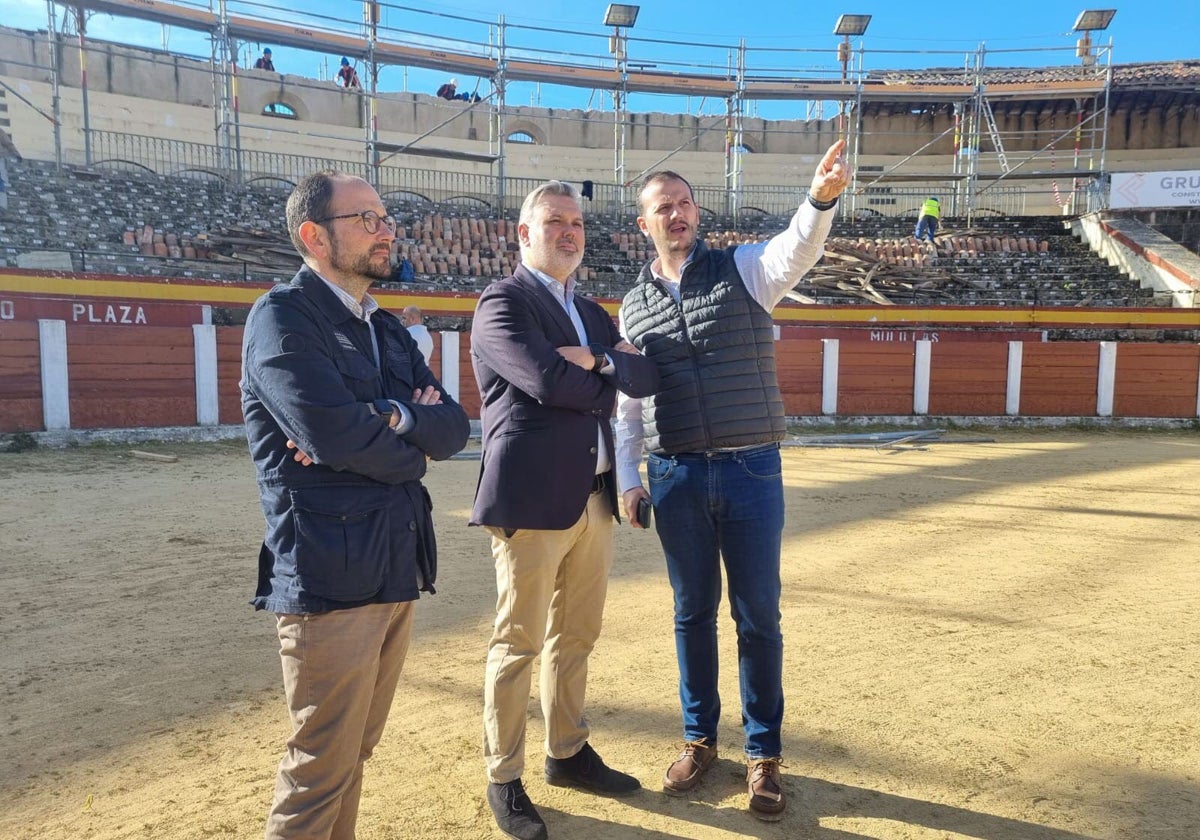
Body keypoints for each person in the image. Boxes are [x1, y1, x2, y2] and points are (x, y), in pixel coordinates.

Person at [614, 139, 851, 822]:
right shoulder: (631, 308)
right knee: (691, 614)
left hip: (751, 466)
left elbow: (795, 251)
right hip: (676, 473)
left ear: (697, 211)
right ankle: (699, 741)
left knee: (757, 616)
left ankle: (763, 755)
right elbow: (628, 407)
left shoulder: (743, 269)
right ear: (645, 224)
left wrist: (819, 200)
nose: (678, 214)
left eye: (685, 203)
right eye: (664, 207)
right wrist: (630, 480)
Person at [241, 170, 470, 840]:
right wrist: (408, 439)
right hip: (327, 576)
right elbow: (330, 430)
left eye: (385, 217)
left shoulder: (387, 330)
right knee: (320, 765)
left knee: (351, 755)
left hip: (393, 565)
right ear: (315, 236)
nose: (386, 230)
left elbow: (453, 427)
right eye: (367, 219)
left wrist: (389, 419)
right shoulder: (281, 316)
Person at [470, 181, 660, 840]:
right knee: (517, 642)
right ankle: (503, 775)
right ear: (523, 234)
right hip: (530, 497)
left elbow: (643, 377)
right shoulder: (501, 302)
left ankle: (568, 752)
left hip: (594, 500)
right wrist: (600, 378)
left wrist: (598, 362)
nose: (569, 233)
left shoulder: (593, 315)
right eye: (554, 221)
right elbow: (545, 380)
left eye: (576, 223)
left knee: (575, 637)